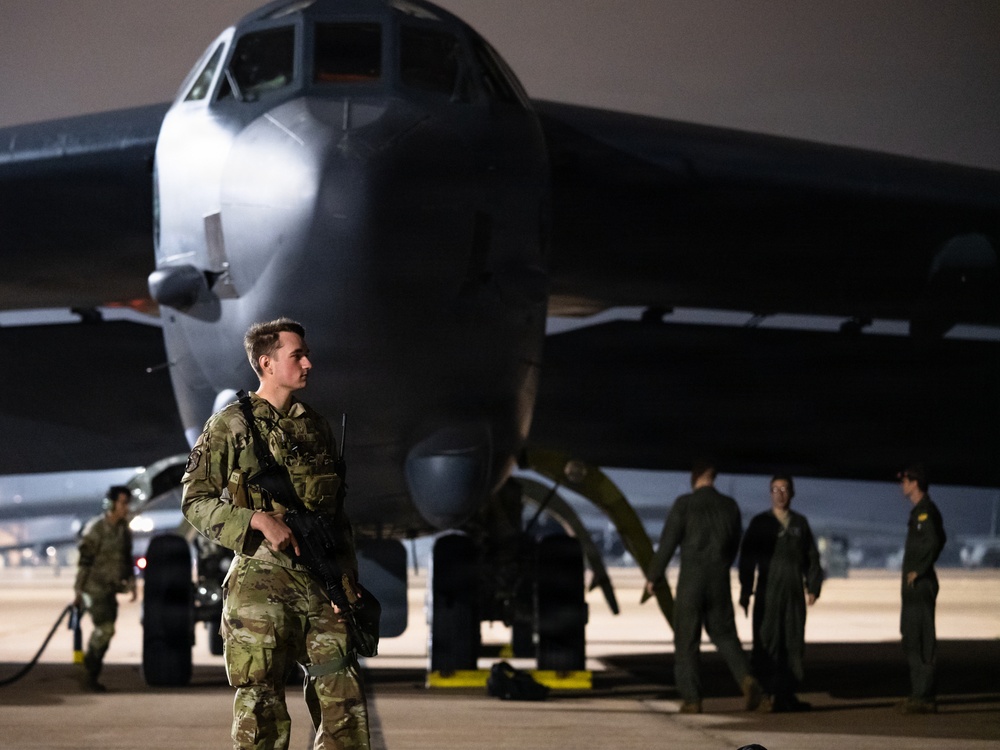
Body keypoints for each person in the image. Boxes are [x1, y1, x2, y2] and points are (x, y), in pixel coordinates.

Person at [181, 318, 370, 750]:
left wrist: (346, 579)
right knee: (261, 707)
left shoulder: (317, 427)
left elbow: (334, 514)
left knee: (345, 706)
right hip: (262, 586)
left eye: (306, 354)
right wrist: (254, 521)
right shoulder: (229, 426)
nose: (308, 362)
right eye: (296, 355)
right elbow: (195, 501)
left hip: (323, 584)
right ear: (266, 363)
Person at [645, 461, 762, 714]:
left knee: (687, 641)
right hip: (719, 579)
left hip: (691, 581)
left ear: (694, 478)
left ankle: (692, 699)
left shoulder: (685, 504)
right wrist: (721, 565)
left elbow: (668, 543)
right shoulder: (730, 506)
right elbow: (734, 546)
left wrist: (653, 576)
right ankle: (747, 679)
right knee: (726, 636)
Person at [738, 474, 823, 712]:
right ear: (770, 493)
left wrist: (813, 586)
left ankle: (786, 694)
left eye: (785, 489)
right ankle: (765, 694)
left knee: (793, 643)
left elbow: (812, 557)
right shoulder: (760, 523)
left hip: (794, 591)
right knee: (766, 642)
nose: (780, 494)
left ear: (792, 493)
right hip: (767, 591)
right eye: (775, 489)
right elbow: (747, 559)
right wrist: (746, 590)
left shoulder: (800, 524)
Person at [73, 484, 136, 692]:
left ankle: (90, 674)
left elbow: (127, 560)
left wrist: (132, 583)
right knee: (105, 629)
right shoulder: (96, 529)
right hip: (94, 588)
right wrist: (78, 591)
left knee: (107, 632)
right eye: (123, 503)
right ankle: (87, 673)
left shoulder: (123, 530)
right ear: (111, 504)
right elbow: (85, 561)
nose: (126, 507)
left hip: (110, 590)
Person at [896, 463, 946, 714]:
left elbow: (936, 540)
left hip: (920, 585)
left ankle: (924, 696)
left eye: (905, 480)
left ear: (915, 482)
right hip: (914, 587)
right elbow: (941, 537)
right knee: (911, 636)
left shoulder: (925, 511)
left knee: (922, 638)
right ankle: (918, 694)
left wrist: (922, 569)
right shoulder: (919, 512)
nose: (901, 485)